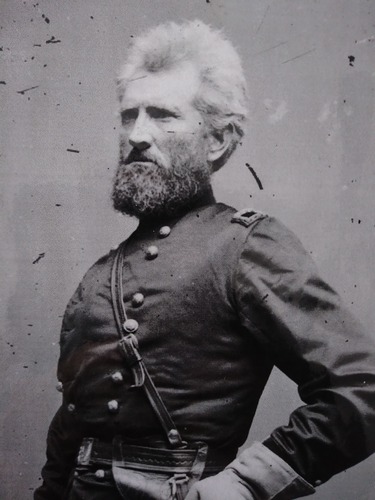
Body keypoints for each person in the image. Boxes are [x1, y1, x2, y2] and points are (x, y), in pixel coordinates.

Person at [34, 20, 375, 500]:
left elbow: (361, 389)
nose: (137, 134)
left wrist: (243, 485)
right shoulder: (99, 275)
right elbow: (72, 427)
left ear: (216, 141)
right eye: (129, 115)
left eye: (163, 116)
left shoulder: (246, 245)